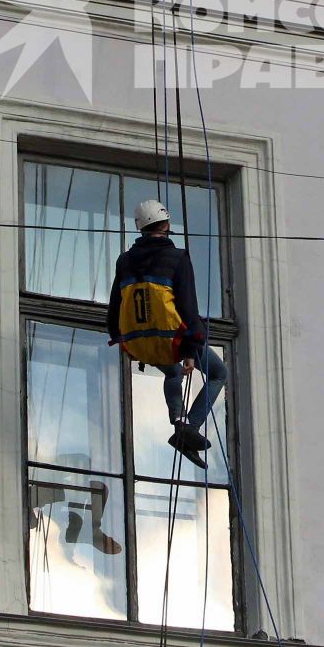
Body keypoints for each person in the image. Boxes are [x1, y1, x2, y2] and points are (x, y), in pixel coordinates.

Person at [107, 198, 225, 468]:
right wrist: (190, 349)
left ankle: (178, 419)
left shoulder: (124, 261)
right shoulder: (177, 257)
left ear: (140, 227)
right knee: (219, 373)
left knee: (172, 373)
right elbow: (187, 305)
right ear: (167, 224)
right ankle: (189, 428)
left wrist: (121, 339)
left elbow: (116, 305)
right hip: (172, 338)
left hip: (140, 342)